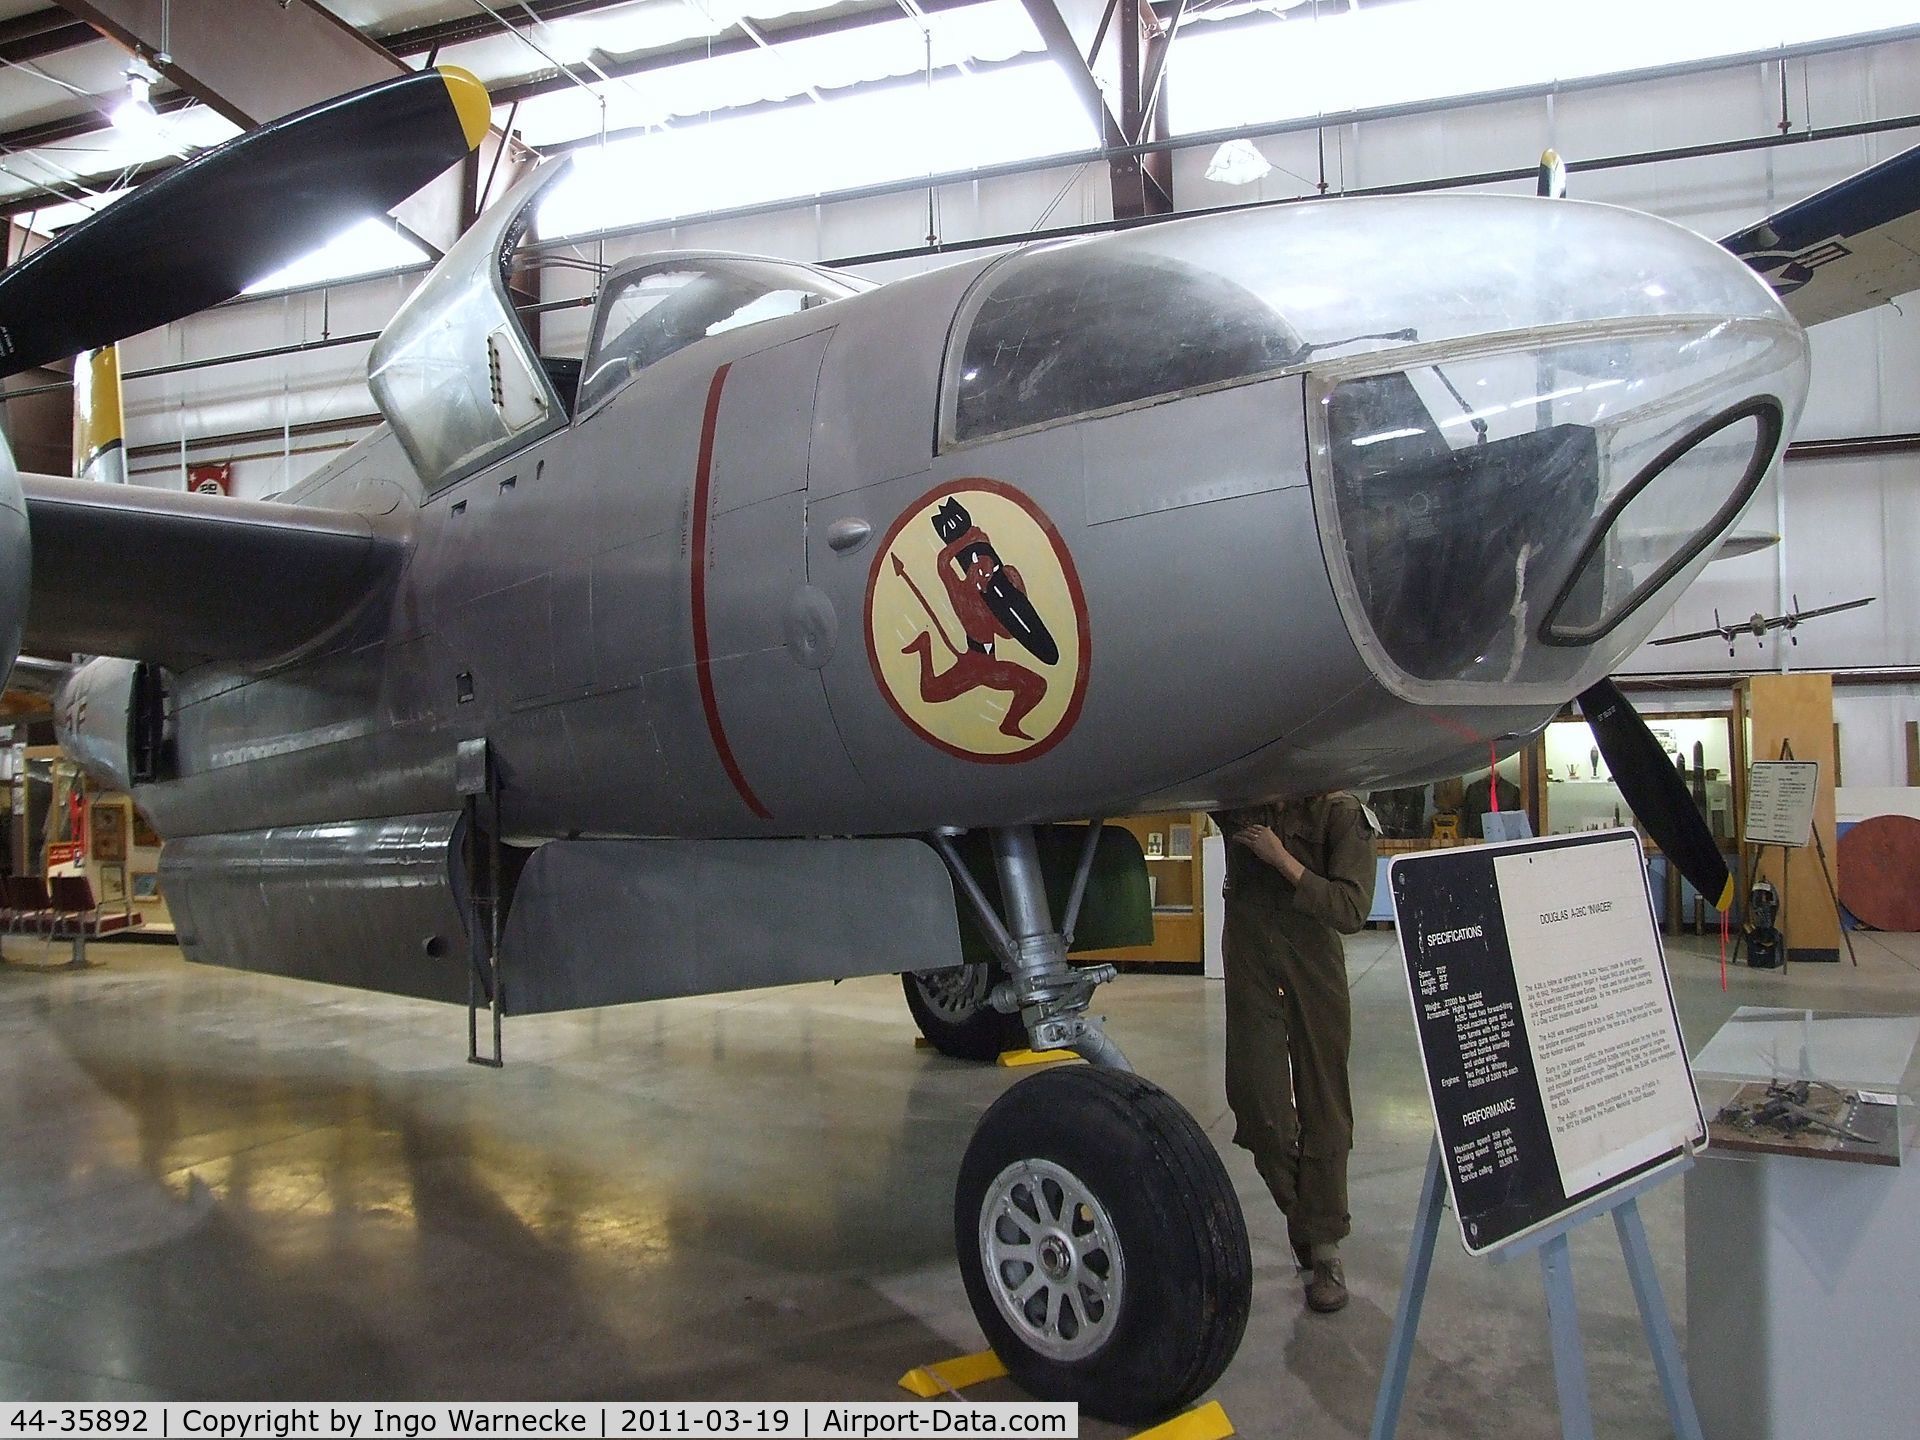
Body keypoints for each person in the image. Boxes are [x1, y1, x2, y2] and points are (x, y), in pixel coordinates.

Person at [1212, 793, 1378, 1313]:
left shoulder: (1340, 811)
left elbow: (1352, 910)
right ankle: (1304, 1216)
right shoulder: (1236, 797)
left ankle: (1323, 1248)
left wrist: (1281, 859)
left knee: (1324, 1103)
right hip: (1250, 961)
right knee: (1257, 1101)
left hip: (1313, 963)